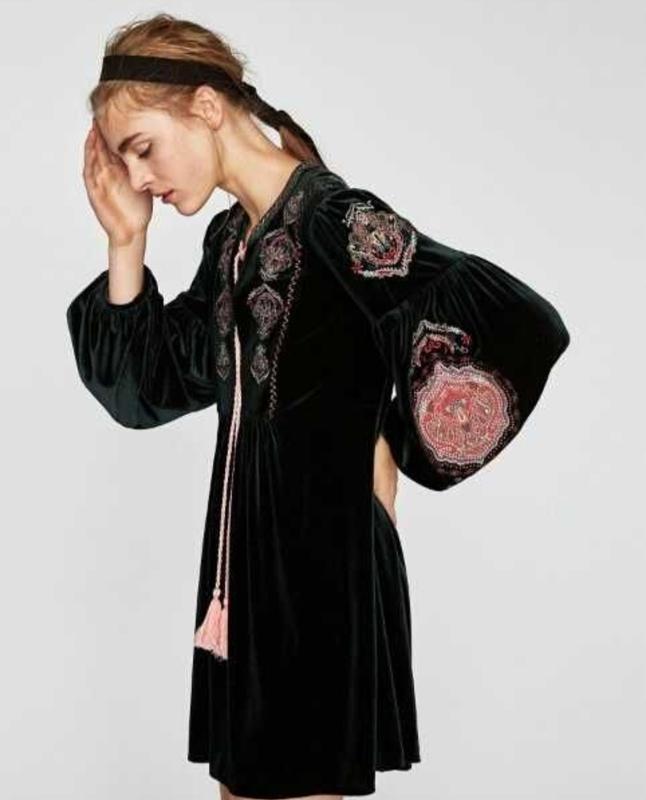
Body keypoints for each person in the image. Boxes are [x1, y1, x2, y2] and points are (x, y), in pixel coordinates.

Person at [66, 13, 571, 800]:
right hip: (243, 577)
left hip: (320, 574)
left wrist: (395, 447)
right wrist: (126, 244)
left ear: (205, 106)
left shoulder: (335, 222)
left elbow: (519, 322)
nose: (138, 178)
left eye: (143, 148)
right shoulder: (232, 241)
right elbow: (150, 387)